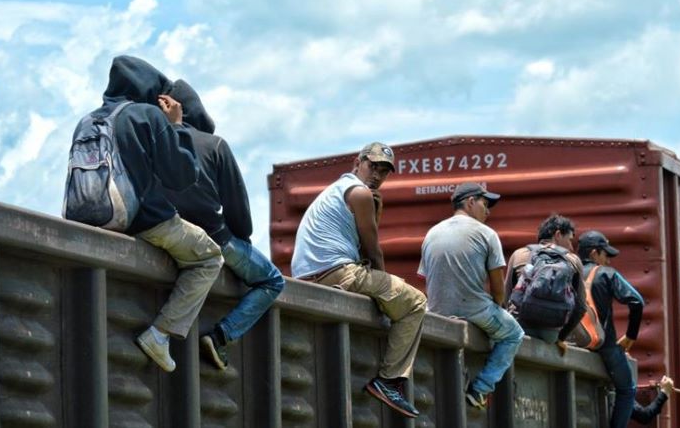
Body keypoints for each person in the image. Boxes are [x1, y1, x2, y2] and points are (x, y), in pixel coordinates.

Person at [99, 56, 224, 372]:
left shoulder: (91, 119)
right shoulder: (146, 115)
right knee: (209, 257)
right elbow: (183, 176)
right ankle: (159, 334)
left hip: (88, 214)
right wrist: (176, 125)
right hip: (139, 219)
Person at [291, 142, 427, 419]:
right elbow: (372, 251)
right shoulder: (360, 193)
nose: (377, 175)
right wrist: (385, 286)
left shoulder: (337, 189)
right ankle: (389, 381)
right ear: (358, 162)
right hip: (337, 272)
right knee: (415, 302)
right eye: (372, 166)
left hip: (309, 276)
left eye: (384, 171)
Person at [162, 80, 285, 370]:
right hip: (214, 239)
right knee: (272, 280)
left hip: (165, 234)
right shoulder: (214, 145)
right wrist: (242, 239)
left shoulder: (154, 142)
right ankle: (220, 336)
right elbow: (238, 210)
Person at [418, 182, 523, 410]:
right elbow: (497, 288)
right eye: (485, 204)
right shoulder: (487, 234)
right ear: (470, 202)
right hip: (474, 310)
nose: (488, 211)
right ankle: (480, 389)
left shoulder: (431, 233)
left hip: (436, 310)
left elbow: (428, 279)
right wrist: (499, 308)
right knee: (514, 334)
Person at [577, 230, 644, 428]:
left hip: (571, 343)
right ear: (594, 253)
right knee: (627, 389)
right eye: (606, 255)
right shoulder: (606, 274)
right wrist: (630, 336)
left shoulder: (569, 269)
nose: (609, 261)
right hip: (604, 346)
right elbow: (637, 302)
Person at [505, 214, 586, 355]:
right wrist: (560, 337)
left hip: (519, 328)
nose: (571, 247)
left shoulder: (519, 254)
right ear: (558, 234)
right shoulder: (573, 261)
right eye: (569, 240)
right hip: (550, 334)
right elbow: (580, 308)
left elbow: (505, 297)